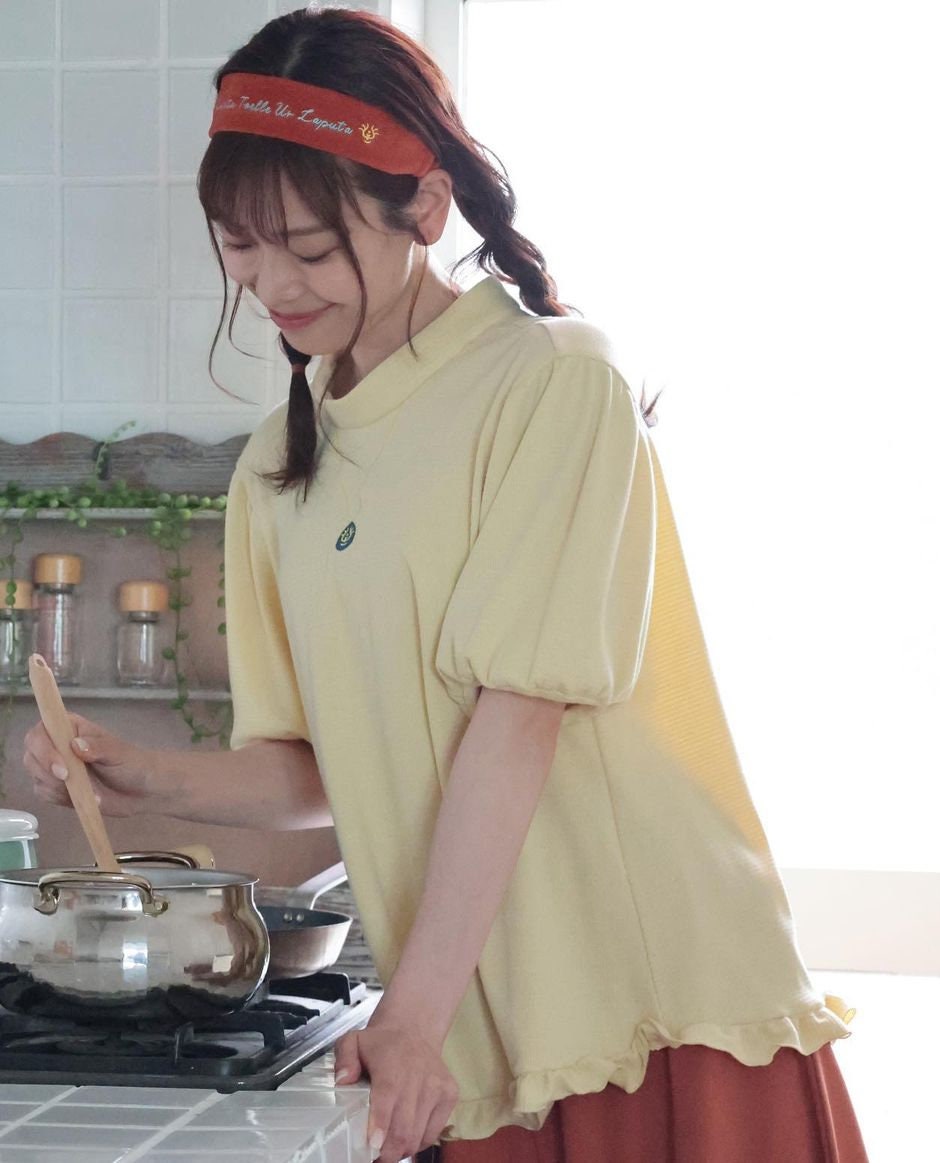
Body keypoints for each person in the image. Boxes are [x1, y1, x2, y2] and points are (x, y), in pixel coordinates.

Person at [23, 8, 869, 1162]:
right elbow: (324, 769)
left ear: (423, 206)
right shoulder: (277, 467)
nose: (272, 283)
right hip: (470, 1017)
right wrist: (140, 775)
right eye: (239, 244)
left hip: (651, 1002)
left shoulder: (554, 385)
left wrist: (410, 1014)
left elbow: (516, 721)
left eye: (307, 245)